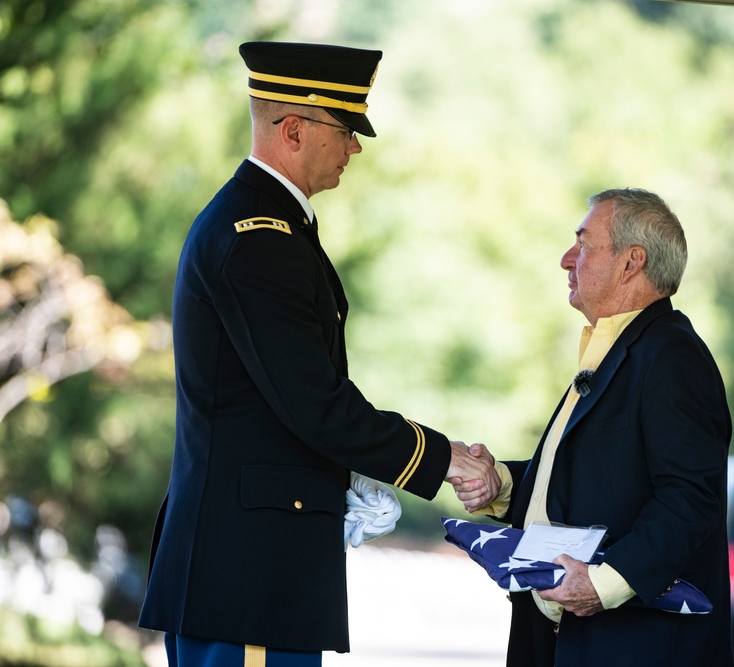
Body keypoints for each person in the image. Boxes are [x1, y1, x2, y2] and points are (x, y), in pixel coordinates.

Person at [137, 41, 499, 666]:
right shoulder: (259, 239)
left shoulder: (269, 226)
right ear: (295, 129)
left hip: (253, 572)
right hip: (250, 575)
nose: (356, 146)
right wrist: (444, 459)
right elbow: (315, 405)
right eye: (347, 128)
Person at [456, 188, 733, 666]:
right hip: (560, 634)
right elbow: (587, 482)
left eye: (583, 244)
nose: (567, 259)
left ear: (631, 262)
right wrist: (501, 481)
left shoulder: (672, 355)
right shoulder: (617, 349)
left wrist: (605, 583)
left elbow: (690, 497)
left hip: (633, 644)